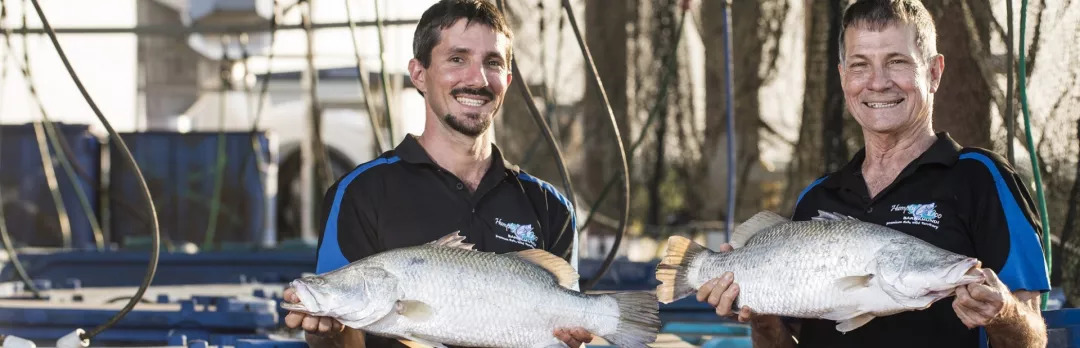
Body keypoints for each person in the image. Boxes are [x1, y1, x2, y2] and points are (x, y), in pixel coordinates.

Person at [694, 1, 1051, 347]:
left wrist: (1002, 312)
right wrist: (762, 319)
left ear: (934, 72)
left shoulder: (983, 178)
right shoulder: (817, 197)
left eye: (896, 62)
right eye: (860, 65)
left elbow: (1033, 339)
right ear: (843, 76)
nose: (877, 83)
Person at [281, 1, 592, 347]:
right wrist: (326, 333)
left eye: (492, 63)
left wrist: (572, 336)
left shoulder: (551, 206)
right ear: (418, 74)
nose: (477, 79)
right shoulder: (359, 192)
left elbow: (565, 333)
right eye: (457, 59)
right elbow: (343, 340)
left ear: (506, 80)